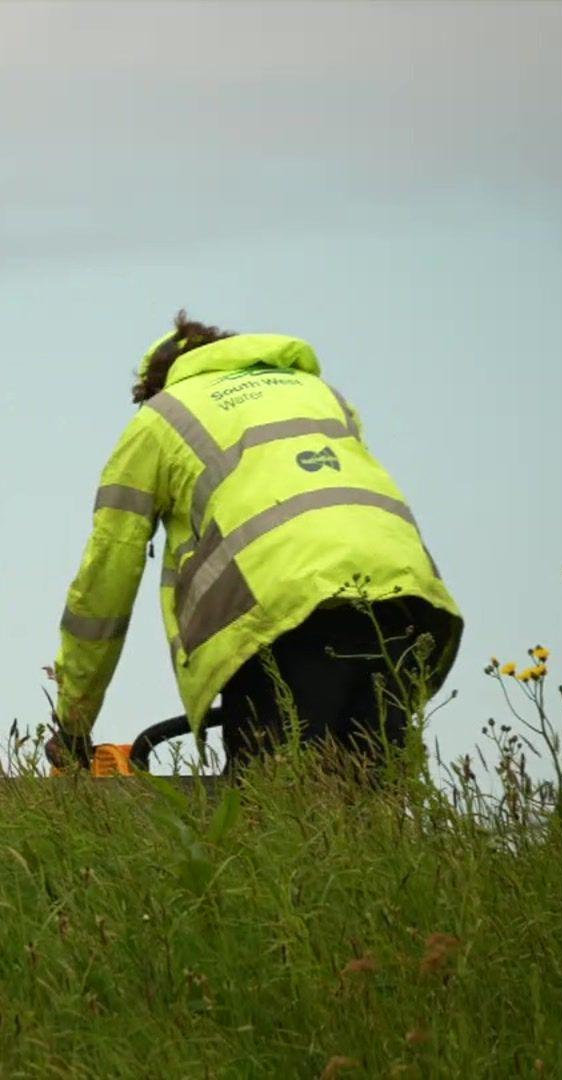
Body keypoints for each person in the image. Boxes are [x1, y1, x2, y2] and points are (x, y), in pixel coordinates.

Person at [50, 311, 461, 776]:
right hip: (402, 604)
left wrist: (73, 724)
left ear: (154, 386)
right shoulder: (321, 395)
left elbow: (106, 580)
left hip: (281, 616)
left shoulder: (162, 417)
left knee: (276, 807)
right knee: (371, 806)